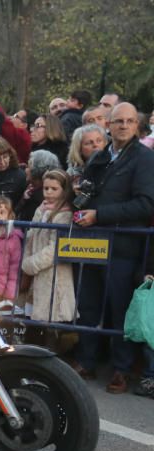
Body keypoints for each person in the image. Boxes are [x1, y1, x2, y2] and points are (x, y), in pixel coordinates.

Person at [71, 102, 154, 393]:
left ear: (137, 126)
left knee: (120, 308)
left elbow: (146, 204)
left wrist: (100, 215)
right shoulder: (100, 156)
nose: (123, 126)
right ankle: (86, 361)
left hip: (123, 245)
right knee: (89, 304)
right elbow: (88, 191)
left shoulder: (144, 159)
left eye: (129, 121)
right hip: (92, 243)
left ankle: (121, 369)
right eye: (118, 121)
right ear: (108, 124)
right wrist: (81, 200)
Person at [22, 170, 76, 324]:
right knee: (34, 319)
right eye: (46, 188)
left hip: (53, 273)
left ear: (63, 190)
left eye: (54, 189)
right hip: (36, 272)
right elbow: (31, 235)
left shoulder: (65, 214)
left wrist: (30, 264)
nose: (49, 192)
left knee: (53, 317)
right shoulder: (41, 208)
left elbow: (56, 247)